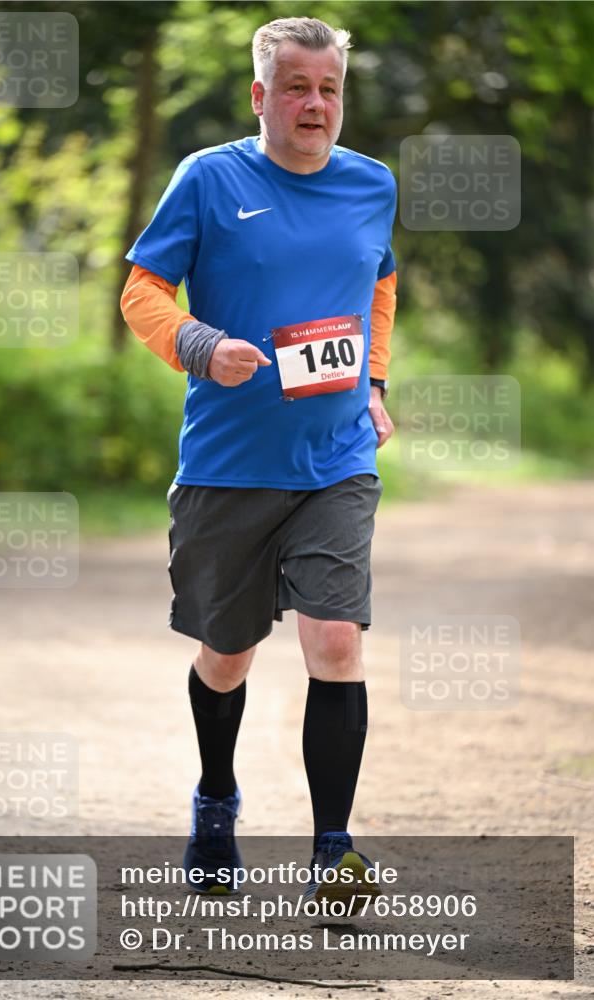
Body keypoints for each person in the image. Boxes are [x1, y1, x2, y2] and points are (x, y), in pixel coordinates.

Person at [121, 15, 397, 910]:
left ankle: (332, 853)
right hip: (230, 462)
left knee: (336, 640)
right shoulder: (209, 179)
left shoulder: (372, 184)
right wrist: (200, 345)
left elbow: (379, 281)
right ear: (259, 95)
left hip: (335, 457)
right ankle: (215, 798)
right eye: (296, 87)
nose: (315, 104)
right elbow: (142, 290)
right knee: (226, 653)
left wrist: (374, 380)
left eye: (329, 89)